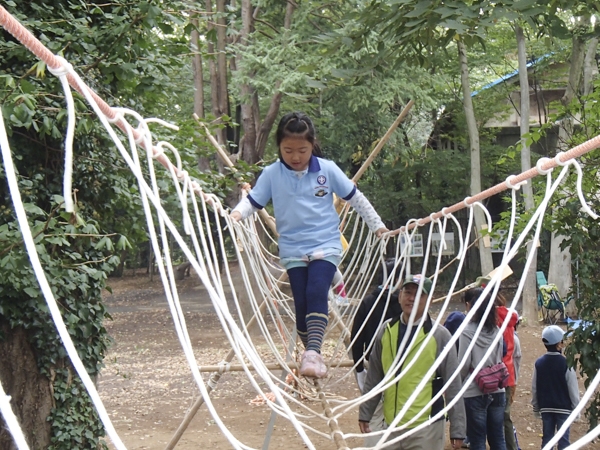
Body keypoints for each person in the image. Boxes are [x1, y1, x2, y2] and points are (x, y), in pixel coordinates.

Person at [230, 112, 387, 378]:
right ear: (279, 147)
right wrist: (236, 214)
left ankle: (313, 352)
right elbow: (253, 202)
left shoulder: (327, 169)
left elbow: (356, 198)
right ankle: (311, 352)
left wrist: (378, 226)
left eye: (302, 150)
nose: (295, 156)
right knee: (301, 304)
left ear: (312, 145)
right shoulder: (272, 174)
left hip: (326, 243)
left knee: (316, 290)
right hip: (292, 249)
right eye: (288, 150)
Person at [358, 274, 466, 450]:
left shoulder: (439, 336)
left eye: (419, 295)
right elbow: (374, 375)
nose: (412, 298)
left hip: (426, 428)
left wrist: (458, 428)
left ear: (429, 300)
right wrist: (365, 412)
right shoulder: (386, 330)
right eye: (407, 292)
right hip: (391, 425)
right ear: (400, 296)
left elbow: (453, 384)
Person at [351, 260, 401, 444]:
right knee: (398, 410)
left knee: (374, 412)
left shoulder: (368, 301)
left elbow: (356, 337)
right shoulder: (403, 305)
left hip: (373, 364)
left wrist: (359, 368)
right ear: (398, 278)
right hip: (401, 364)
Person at [458, 288, 506, 450]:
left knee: (478, 441)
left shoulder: (467, 332)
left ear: (472, 307)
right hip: (498, 389)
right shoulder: (497, 331)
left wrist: (457, 384)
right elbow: (500, 357)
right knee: (498, 439)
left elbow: (463, 364)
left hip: (474, 391)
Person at [531, 325, 580, 450]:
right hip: (564, 408)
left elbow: (535, 387)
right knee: (563, 439)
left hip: (546, 407)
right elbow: (572, 388)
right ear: (559, 344)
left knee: (547, 439)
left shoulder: (539, 363)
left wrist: (536, 407)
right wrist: (576, 409)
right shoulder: (566, 363)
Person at [495, 293, 520, 450]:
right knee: (504, 416)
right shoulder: (510, 318)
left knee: (502, 416)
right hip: (508, 373)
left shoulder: (491, 319)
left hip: (494, 374)